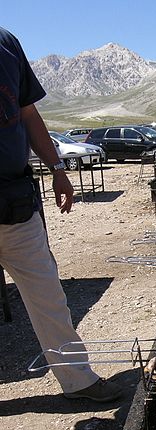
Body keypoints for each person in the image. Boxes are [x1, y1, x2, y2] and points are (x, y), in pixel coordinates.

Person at [0, 27, 122, 402]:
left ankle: (77, 379)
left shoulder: (5, 43)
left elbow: (27, 113)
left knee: (48, 294)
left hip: (13, 202)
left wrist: (56, 168)